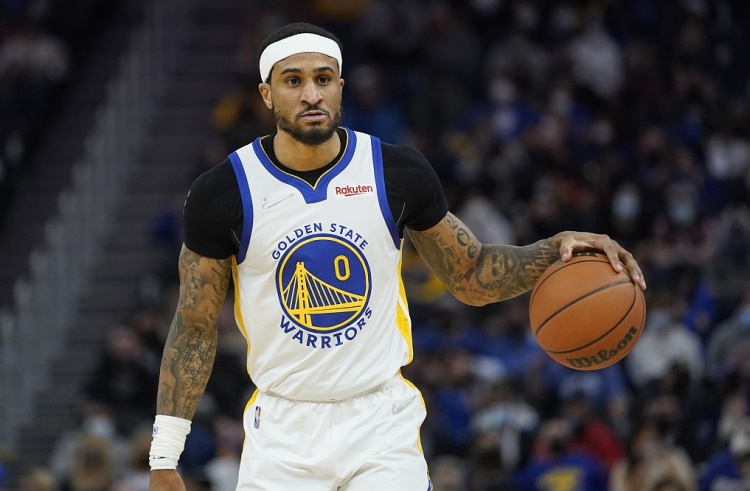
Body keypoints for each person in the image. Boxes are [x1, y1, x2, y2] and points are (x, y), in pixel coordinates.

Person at [148, 21, 646, 491]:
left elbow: (471, 274)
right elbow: (194, 325)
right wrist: (165, 455)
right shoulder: (222, 192)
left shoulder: (394, 170)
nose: (311, 94)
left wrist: (555, 249)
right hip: (281, 427)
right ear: (266, 93)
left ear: (340, 87)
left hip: (379, 421)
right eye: (293, 80)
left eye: (323, 79)